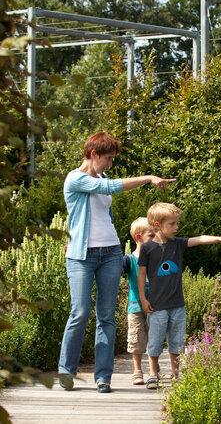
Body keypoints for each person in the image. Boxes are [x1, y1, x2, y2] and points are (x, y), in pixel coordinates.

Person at [58, 131, 175, 394]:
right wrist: (147, 178)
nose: (110, 164)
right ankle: (67, 370)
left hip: (110, 253)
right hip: (81, 256)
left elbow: (99, 214)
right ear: (93, 154)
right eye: (108, 158)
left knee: (107, 316)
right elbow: (105, 190)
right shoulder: (75, 179)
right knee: (80, 312)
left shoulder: (104, 176)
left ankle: (103, 377)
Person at [138, 202, 221, 390]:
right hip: (156, 306)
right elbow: (141, 274)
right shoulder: (147, 248)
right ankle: (153, 374)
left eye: (177, 223)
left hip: (177, 305)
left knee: (177, 343)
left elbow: (200, 239)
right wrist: (143, 299)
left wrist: (220, 239)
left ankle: (176, 374)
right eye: (172, 224)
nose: (177, 227)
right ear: (157, 225)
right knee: (155, 342)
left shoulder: (177, 244)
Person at [122, 217, 155, 386]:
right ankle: (137, 370)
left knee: (153, 338)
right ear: (138, 237)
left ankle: (152, 372)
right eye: (151, 235)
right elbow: (116, 269)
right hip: (135, 305)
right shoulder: (129, 260)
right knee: (136, 338)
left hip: (154, 305)